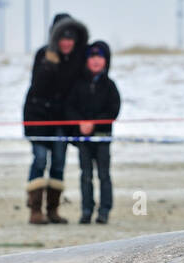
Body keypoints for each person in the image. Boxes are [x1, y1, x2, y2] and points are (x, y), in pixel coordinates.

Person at [22, 12, 89, 223]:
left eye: (70, 39)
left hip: (62, 120)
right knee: (40, 159)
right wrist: (49, 65)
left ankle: (53, 210)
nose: (67, 43)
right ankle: (35, 210)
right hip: (38, 118)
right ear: (55, 38)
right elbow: (38, 88)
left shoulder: (78, 59)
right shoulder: (44, 55)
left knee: (59, 162)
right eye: (62, 38)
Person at [64, 41, 121, 224]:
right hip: (83, 139)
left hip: (103, 137)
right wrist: (80, 122)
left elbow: (113, 110)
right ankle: (86, 210)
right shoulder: (78, 84)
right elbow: (69, 107)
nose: (96, 61)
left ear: (106, 61)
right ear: (87, 60)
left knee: (104, 174)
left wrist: (94, 124)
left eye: (100, 57)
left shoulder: (109, 85)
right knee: (85, 175)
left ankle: (104, 210)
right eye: (92, 57)